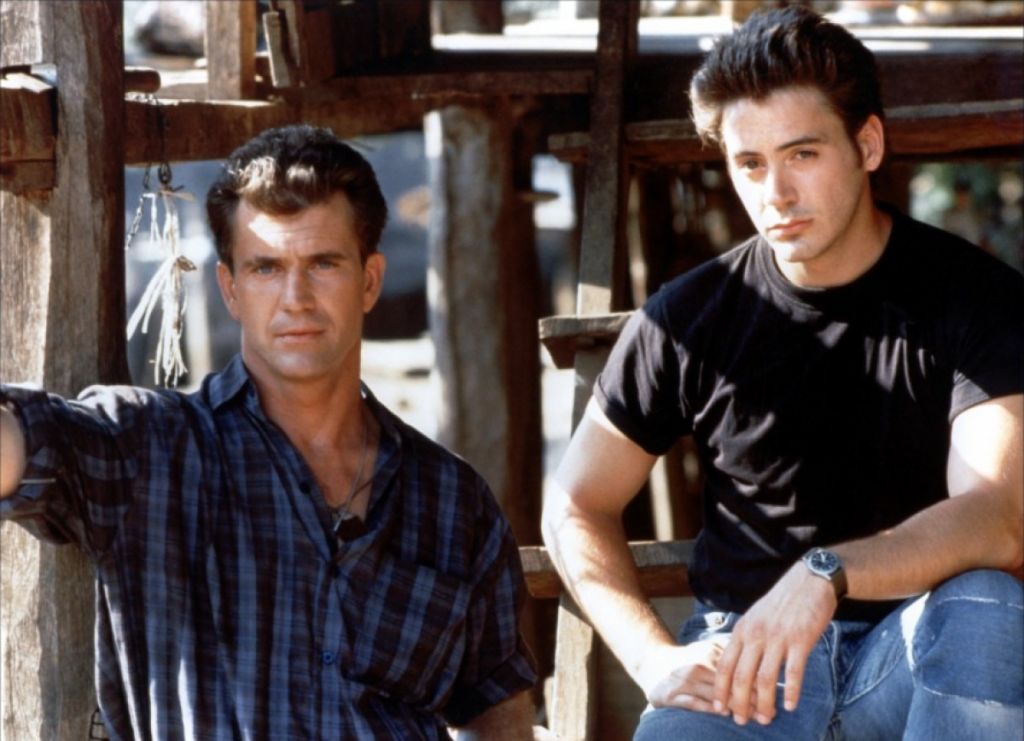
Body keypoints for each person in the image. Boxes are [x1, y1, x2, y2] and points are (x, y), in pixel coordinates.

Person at [542, 6, 1023, 740]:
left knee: (988, 606)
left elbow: (997, 516)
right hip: (743, 667)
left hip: (908, 653)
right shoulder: (688, 317)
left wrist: (826, 572)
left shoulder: (973, 296)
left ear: (867, 144)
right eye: (750, 164)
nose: (776, 193)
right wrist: (649, 657)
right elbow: (575, 502)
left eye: (802, 154)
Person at [0, 125, 537, 739]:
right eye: (266, 268)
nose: (295, 298)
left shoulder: (451, 500)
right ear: (231, 289)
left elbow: (495, 698)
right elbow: (22, 443)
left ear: (369, 280)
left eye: (323, 264)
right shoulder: (152, 448)